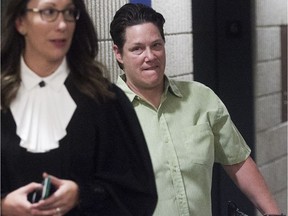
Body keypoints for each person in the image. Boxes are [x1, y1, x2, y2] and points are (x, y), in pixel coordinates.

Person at [110, 3, 284, 216]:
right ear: (118, 53)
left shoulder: (201, 99)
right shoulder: (106, 113)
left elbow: (238, 161)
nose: (150, 56)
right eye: (137, 49)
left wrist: (274, 213)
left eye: (156, 45)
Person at [1, 0, 157, 215]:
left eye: (69, 13)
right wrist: (3, 206)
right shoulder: (2, 101)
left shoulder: (104, 101)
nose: (63, 24)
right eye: (49, 12)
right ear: (20, 22)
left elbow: (139, 195)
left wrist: (82, 194)